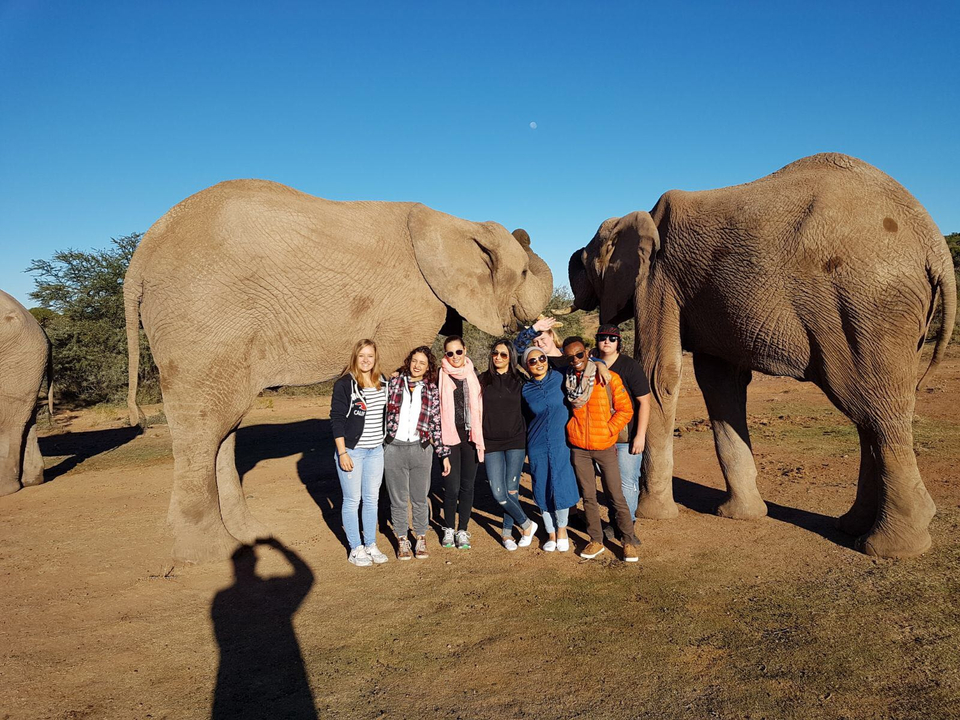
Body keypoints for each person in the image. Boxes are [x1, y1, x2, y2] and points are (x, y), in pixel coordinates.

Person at [562, 336, 640, 562]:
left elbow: (626, 410)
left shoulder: (608, 378)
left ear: (587, 352)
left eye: (579, 354)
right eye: (570, 357)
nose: (575, 360)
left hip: (605, 446)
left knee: (616, 495)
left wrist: (609, 430)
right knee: (588, 497)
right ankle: (596, 539)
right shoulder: (568, 380)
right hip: (579, 448)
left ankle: (628, 540)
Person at [384, 346, 451, 560]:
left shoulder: (431, 389)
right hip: (394, 447)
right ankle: (402, 539)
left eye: (422, 363)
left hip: (421, 448)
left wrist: (443, 453)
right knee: (398, 499)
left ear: (428, 366)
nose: (417, 366)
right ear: (408, 361)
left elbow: (435, 423)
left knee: (420, 497)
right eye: (414, 361)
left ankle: (421, 538)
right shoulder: (393, 383)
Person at [330, 339, 389, 567]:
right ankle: (356, 548)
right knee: (352, 500)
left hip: (376, 450)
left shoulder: (382, 381)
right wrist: (342, 452)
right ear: (355, 357)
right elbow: (336, 419)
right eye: (362, 355)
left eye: (370, 356)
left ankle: (371, 543)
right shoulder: (345, 384)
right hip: (352, 452)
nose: (366, 360)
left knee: (372, 499)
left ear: (375, 358)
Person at [520, 346, 581, 553]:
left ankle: (562, 530)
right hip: (536, 443)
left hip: (560, 441)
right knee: (541, 486)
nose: (538, 363)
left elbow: (584, 362)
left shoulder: (560, 376)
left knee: (561, 484)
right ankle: (551, 532)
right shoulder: (525, 389)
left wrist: (601, 366)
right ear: (526, 366)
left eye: (542, 358)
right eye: (532, 361)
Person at [479, 339, 538, 551]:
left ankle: (506, 534)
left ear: (511, 357)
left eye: (504, 354)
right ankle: (527, 524)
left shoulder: (520, 380)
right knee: (498, 492)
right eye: (495, 353)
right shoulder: (482, 380)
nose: (498, 357)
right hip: (491, 442)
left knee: (511, 491)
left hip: (515, 441)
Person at [593, 324, 651, 523]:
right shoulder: (590, 365)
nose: (607, 342)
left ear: (619, 342)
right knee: (609, 482)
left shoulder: (629, 366)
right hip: (600, 436)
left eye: (612, 338)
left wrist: (640, 435)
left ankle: (627, 522)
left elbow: (644, 401)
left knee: (627, 482)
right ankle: (614, 520)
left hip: (626, 436)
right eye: (602, 338)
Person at [438, 335, 485, 549]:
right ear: (445, 355)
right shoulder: (439, 375)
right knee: (451, 485)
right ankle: (449, 527)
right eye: (450, 353)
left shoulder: (473, 375)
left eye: (458, 351)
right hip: (449, 437)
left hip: (470, 435)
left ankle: (463, 529)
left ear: (465, 350)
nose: (455, 356)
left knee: (467, 486)